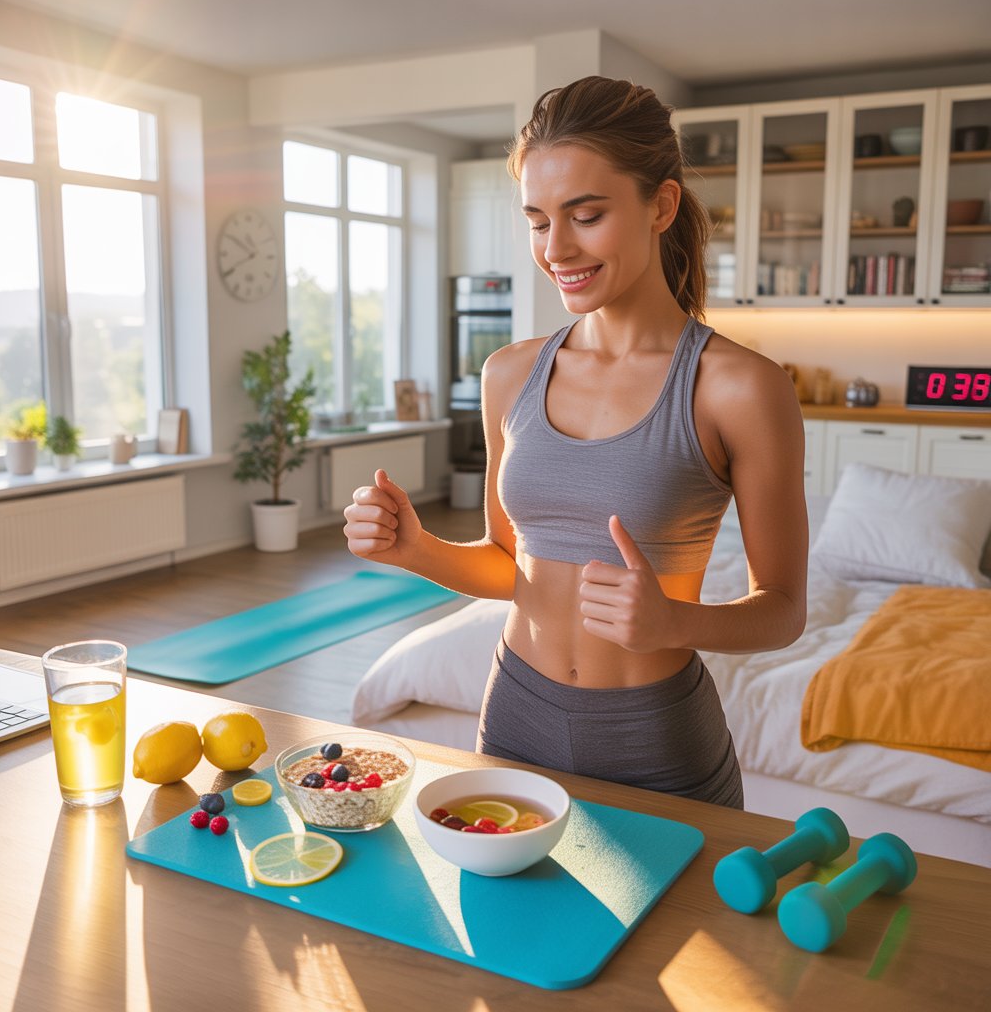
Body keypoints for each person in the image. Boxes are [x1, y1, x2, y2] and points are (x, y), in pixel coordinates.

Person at [344, 75, 808, 808]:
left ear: (661, 205)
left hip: (655, 738)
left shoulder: (738, 387)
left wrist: (673, 621)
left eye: (585, 215)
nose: (556, 247)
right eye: (537, 220)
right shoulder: (510, 373)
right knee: (504, 924)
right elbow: (511, 566)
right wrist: (414, 548)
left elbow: (783, 608)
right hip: (515, 714)